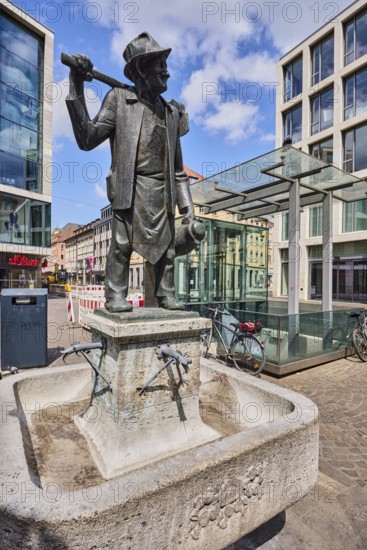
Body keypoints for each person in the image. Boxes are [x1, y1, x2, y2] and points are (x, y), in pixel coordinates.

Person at [66, 32, 196, 312]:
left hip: (163, 191)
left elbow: (178, 170)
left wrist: (187, 207)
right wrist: (76, 83)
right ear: (140, 69)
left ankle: (166, 293)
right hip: (131, 187)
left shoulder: (171, 113)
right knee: (121, 245)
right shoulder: (119, 100)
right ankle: (115, 295)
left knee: (167, 249)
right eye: (160, 64)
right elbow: (87, 138)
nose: (167, 71)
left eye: (165, 64)